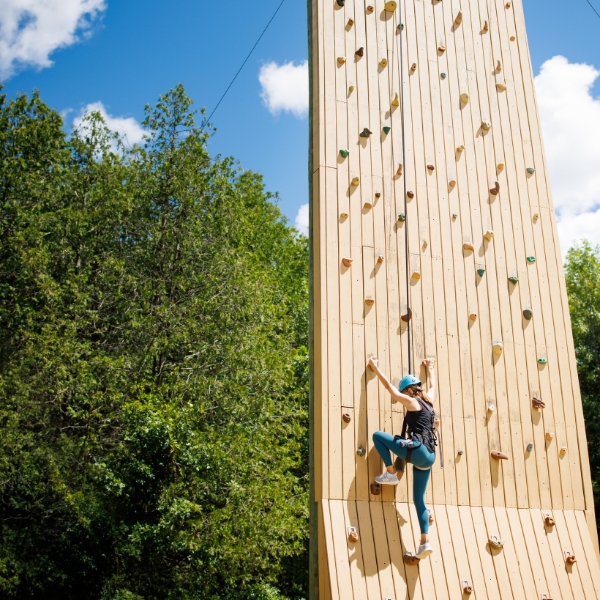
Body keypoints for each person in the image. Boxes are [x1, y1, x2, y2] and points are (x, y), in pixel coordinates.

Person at [368, 357, 437, 560]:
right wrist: (430, 367)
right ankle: (424, 542)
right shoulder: (429, 401)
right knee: (418, 500)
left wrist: (376, 368)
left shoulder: (413, 402)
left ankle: (391, 473)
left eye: (405, 391)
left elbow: (392, 391)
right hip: (429, 457)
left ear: (408, 390)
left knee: (378, 436)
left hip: (418, 451)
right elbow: (433, 385)